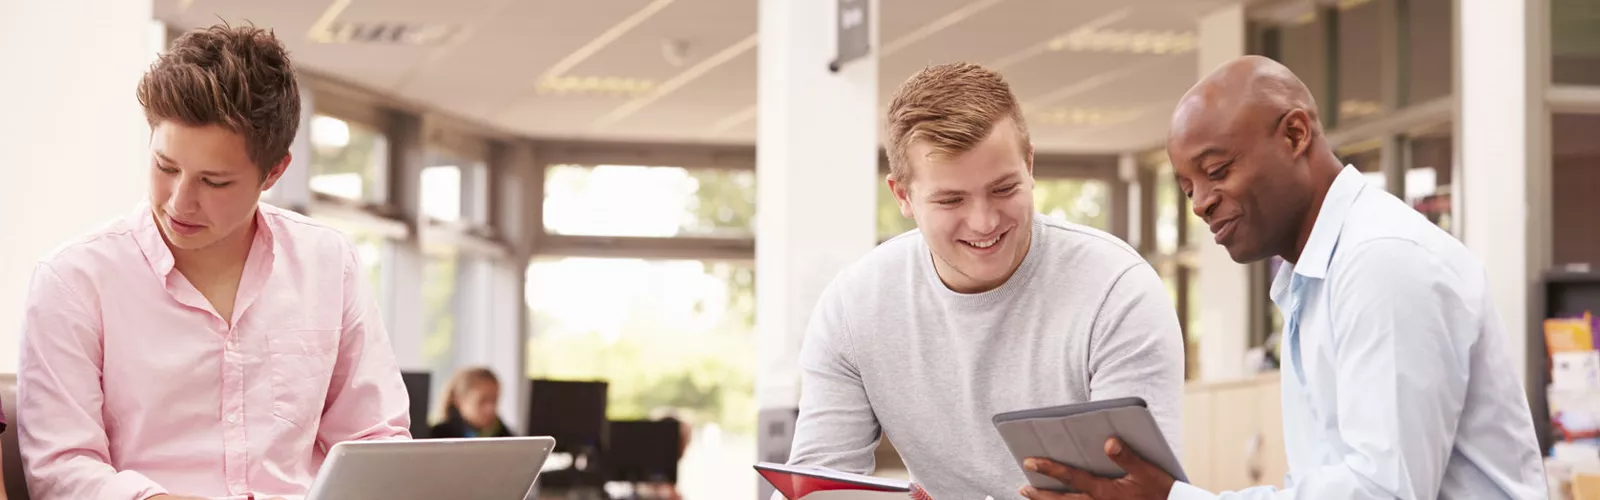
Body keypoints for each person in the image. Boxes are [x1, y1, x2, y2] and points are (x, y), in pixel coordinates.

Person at [1018, 55, 1546, 499]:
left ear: (1295, 134)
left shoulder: (1382, 262)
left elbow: (1383, 490)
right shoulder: (1315, 276)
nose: (1201, 204)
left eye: (1217, 171)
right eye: (1186, 188)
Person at [16, 23, 410, 500]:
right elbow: (61, 470)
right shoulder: (74, 281)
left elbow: (375, 438)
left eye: (214, 182)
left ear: (274, 171)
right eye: (165, 167)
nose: (180, 202)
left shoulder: (330, 264)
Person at [783, 62, 1185, 500]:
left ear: (1029, 165)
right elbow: (815, 486)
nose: (984, 221)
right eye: (950, 199)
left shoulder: (1115, 290)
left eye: (1004, 189)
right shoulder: (854, 307)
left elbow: (1139, 493)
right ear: (903, 195)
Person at [429, 367, 514, 439]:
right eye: (482, 401)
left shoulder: (509, 438)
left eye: (494, 400)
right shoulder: (436, 436)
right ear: (459, 400)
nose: (490, 409)